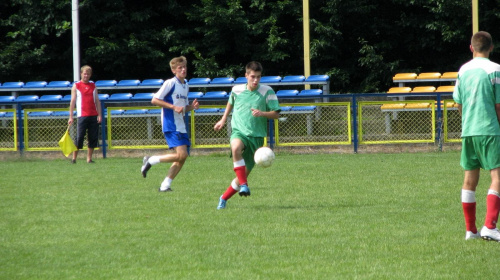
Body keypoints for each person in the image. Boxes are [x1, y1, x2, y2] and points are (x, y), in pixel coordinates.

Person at [214, 61, 281, 209]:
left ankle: (224, 198)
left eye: (258, 77)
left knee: (241, 176)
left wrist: (262, 113)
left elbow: (276, 114)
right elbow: (230, 102)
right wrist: (223, 119)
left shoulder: (267, 91)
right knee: (235, 147)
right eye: (252, 77)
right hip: (239, 131)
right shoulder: (236, 90)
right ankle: (245, 184)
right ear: (246, 76)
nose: (255, 80)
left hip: (256, 138)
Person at [453, 31, 500, 241]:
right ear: (491, 47)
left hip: (469, 131)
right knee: (497, 177)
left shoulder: (463, 71)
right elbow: (498, 105)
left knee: (469, 180)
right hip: (490, 129)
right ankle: (490, 226)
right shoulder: (496, 70)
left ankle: (470, 230)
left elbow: (458, 103)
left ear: (471, 48)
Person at [141, 56, 199, 192]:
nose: (183, 70)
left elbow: (182, 107)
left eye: (185, 67)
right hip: (171, 124)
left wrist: (192, 107)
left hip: (181, 125)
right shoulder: (170, 83)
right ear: (174, 70)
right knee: (181, 155)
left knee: (182, 158)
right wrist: (173, 107)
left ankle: (165, 185)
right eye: (180, 68)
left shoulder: (186, 85)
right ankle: (150, 160)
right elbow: (154, 100)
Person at [68, 65, 102, 164]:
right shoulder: (76, 85)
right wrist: (71, 116)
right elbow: (72, 101)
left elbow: (97, 101)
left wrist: (99, 115)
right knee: (79, 137)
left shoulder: (93, 85)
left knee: (92, 138)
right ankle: (74, 158)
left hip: (93, 114)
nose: (86, 75)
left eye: (88, 74)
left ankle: (89, 159)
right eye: (84, 73)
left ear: (90, 75)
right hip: (82, 115)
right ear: (81, 74)